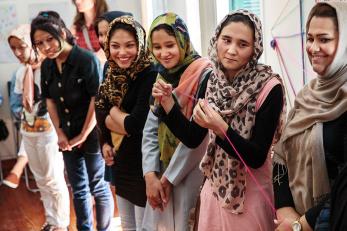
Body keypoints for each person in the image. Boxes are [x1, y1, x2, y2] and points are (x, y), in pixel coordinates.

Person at [155, 10, 286, 231]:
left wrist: (220, 127)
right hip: (215, 189)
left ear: (255, 49)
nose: (231, 50)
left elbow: (256, 156)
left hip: (250, 193)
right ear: (217, 39)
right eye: (226, 40)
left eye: (243, 44)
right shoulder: (212, 80)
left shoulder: (269, 87)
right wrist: (168, 104)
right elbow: (192, 137)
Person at [30, 11, 114, 231]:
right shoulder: (47, 65)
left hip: (92, 133)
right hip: (66, 135)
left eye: (49, 39)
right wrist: (60, 134)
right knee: (78, 188)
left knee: (98, 185)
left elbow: (97, 101)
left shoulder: (86, 60)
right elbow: (49, 101)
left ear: (62, 31)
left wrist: (83, 136)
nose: (46, 47)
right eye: (39, 43)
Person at [273, 2, 347, 231]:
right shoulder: (307, 96)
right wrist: (284, 209)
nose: (314, 47)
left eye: (324, 39)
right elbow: (281, 155)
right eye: (310, 38)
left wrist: (301, 224)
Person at [141, 12, 212, 231]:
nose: (163, 53)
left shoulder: (204, 74)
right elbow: (151, 128)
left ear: (183, 41)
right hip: (161, 170)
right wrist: (150, 175)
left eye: (170, 45)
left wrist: (169, 178)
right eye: (157, 47)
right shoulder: (162, 75)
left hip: (191, 172)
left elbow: (199, 138)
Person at [95, 15, 156, 231]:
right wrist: (105, 143)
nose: (122, 53)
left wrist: (111, 110)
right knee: (128, 225)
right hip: (120, 159)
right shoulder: (112, 72)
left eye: (130, 45)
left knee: (144, 226)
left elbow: (136, 125)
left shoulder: (150, 74)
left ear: (140, 43)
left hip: (144, 164)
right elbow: (98, 111)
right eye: (115, 46)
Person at [8, 24, 70, 231]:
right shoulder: (21, 72)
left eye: (21, 47)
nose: (17, 53)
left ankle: (61, 223)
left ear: (32, 45)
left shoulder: (48, 69)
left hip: (49, 134)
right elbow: (19, 106)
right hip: (29, 132)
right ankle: (51, 221)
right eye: (13, 48)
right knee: (41, 181)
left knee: (53, 179)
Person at [3, 73, 28, 189]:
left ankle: (18, 169)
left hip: (55, 122)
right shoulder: (19, 73)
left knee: (35, 130)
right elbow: (16, 107)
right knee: (33, 129)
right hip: (30, 120)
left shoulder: (53, 70)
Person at [71, 0, 108, 64]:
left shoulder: (107, 23)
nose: (77, 1)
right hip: (86, 72)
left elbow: (107, 53)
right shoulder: (75, 28)